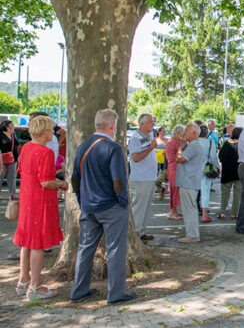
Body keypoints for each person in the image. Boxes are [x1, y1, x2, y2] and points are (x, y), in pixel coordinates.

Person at [69, 109, 135, 305]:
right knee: (115, 249)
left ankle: (78, 291)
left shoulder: (83, 146)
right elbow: (118, 180)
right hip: (111, 207)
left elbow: (75, 178)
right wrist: (123, 202)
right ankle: (115, 294)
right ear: (112, 126)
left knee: (85, 249)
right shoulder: (113, 148)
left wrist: (82, 201)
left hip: (89, 206)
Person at [13, 115, 67, 301]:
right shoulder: (45, 153)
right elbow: (45, 182)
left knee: (27, 242)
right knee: (37, 244)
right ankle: (35, 286)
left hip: (27, 198)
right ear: (44, 132)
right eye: (51, 130)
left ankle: (23, 281)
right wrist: (62, 184)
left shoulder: (27, 147)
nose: (53, 133)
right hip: (40, 201)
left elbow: (23, 171)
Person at [175, 124, 213, 242]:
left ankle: (192, 235)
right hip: (189, 181)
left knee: (189, 209)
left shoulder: (194, 145)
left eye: (186, 131)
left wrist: (180, 148)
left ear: (193, 133)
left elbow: (179, 159)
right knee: (190, 208)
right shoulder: (194, 145)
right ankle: (192, 234)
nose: (184, 134)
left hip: (189, 182)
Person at [127, 113, 159, 242]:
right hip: (141, 177)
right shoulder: (136, 138)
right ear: (142, 123)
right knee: (139, 206)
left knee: (145, 206)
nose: (153, 124)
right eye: (150, 122)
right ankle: (135, 234)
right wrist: (151, 147)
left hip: (148, 177)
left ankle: (141, 231)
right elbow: (135, 157)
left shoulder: (147, 136)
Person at [218, 127, 242, 220]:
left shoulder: (226, 144)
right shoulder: (241, 145)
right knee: (237, 193)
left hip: (227, 172)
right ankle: (234, 213)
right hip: (238, 172)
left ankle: (222, 212)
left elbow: (220, 156)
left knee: (224, 193)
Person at [199, 127, 219, 224]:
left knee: (192, 192)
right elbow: (213, 158)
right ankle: (204, 215)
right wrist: (216, 169)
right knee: (205, 192)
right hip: (206, 169)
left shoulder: (192, 142)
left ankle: (192, 213)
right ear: (206, 133)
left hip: (193, 170)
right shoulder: (210, 143)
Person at [165, 125, 184, 220]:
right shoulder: (172, 142)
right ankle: (172, 211)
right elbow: (171, 157)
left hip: (175, 166)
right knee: (174, 189)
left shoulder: (175, 141)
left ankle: (174, 210)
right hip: (174, 167)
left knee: (176, 189)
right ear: (178, 133)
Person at [0, 120, 20, 200]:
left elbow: (17, 144)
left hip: (13, 159)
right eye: (12, 125)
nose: (14, 126)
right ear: (7, 127)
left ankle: (13, 194)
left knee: (12, 177)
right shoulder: (1, 135)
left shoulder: (13, 134)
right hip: (1, 159)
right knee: (1, 176)